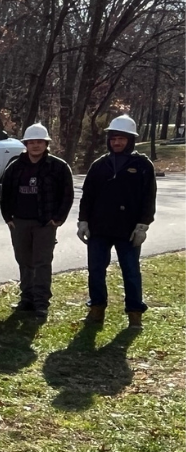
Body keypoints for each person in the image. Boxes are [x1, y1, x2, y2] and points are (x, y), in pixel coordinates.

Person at [77, 114, 156, 329]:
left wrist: (143, 225)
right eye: (113, 138)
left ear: (130, 140)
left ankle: (134, 313)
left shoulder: (142, 165)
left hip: (128, 230)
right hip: (99, 228)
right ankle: (96, 309)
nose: (117, 142)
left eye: (121, 138)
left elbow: (149, 198)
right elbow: (87, 196)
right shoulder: (99, 165)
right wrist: (83, 221)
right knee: (95, 270)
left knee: (130, 271)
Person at [0, 123, 74, 319]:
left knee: (42, 262)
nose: (35, 146)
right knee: (24, 261)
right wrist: (8, 218)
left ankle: (41, 302)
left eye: (39, 142)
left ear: (46, 143)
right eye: (31, 142)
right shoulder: (15, 167)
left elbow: (67, 195)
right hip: (19, 222)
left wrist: (57, 219)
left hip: (44, 223)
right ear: (25, 144)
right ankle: (27, 298)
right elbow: (5, 194)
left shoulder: (58, 167)